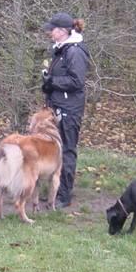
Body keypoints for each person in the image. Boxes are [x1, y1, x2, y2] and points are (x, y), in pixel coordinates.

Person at [41, 12, 90, 208]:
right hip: (58, 106)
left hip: (70, 109)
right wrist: (48, 85)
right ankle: (55, 190)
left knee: (67, 151)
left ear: (62, 31)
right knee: (56, 150)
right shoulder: (61, 50)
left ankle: (64, 195)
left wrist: (52, 81)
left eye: (52, 29)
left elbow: (77, 81)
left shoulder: (74, 52)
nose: (49, 32)